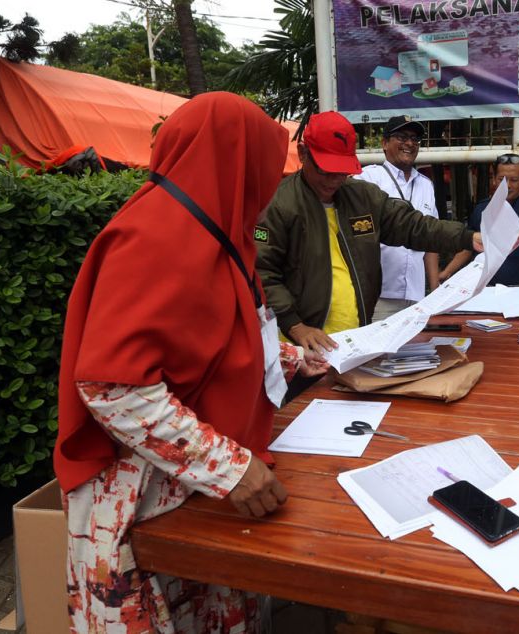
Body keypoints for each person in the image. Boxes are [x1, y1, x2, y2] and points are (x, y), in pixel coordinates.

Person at [54, 92, 330, 632]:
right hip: (142, 501)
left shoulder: (211, 230)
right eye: (266, 166)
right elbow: (114, 386)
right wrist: (231, 467)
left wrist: (300, 360)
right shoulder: (157, 234)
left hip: (189, 488)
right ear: (236, 160)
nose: (272, 183)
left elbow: (222, 337)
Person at [256, 111, 483, 354]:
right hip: (301, 346)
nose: (333, 180)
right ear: (303, 154)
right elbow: (262, 271)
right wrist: (295, 325)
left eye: (341, 171)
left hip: (355, 340)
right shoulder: (279, 204)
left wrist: (468, 237)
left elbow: (413, 226)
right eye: (325, 170)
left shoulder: (363, 197)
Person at [354, 115, 441, 321]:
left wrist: (435, 291)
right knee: (378, 353)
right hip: (379, 296)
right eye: (402, 137)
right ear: (384, 143)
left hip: (416, 296)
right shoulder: (367, 179)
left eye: (415, 139)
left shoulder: (426, 185)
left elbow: (431, 241)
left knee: (416, 352)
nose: (410, 143)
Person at [439, 153, 519, 288]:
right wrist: (447, 272)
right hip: (483, 288)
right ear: (494, 179)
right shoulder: (482, 208)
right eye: (501, 179)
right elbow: (469, 246)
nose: (507, 185)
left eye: (514, 180)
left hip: (517, 289)